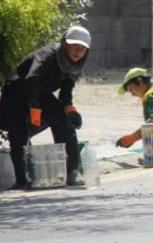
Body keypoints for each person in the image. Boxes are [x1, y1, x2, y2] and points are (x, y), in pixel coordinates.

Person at [0, 26, 91, 189]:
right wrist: (34, 107)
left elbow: (66, 90)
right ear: (64, 43)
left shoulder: (75, 65)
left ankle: (73, 171)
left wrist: (70, 109)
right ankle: (21, 180)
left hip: (39, 92)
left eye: (83, 48)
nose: (78, 51)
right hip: (16, 93)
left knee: (64, 121)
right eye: (74, 46)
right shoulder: (49, 55)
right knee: (18, 133)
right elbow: (31, 79)